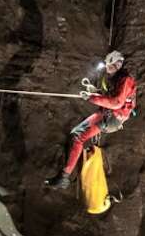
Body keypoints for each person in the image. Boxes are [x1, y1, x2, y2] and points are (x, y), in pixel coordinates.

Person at [46, 50, 136, 189]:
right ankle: (70, 169)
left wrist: (91, 98)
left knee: (80, 138)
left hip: (113, 118)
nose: (108, 69)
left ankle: (64, 178)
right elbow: (108, 95)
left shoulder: (126, 80)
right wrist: (94, 91)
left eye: (110, 66)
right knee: (75, 133)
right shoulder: (114, 78)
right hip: (106, 113)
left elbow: (117, 102)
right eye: (107, 66)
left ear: (118, 65)